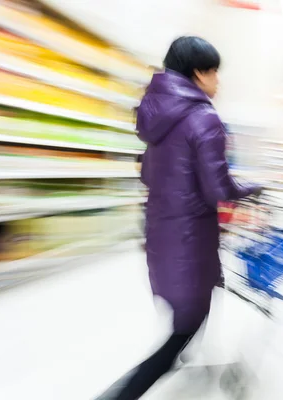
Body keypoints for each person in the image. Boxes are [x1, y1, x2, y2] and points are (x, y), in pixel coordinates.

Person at [96, 36, 261, 400]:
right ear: (198, 74)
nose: (218, 81)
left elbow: (149, 174)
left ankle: (179, 358)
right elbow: (218, 188)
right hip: (191, 241)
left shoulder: (155, 116)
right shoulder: (205, 119)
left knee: (184, 319)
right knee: (183, 330)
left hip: (161, 235)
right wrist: (253, 187)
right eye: (215, 72)